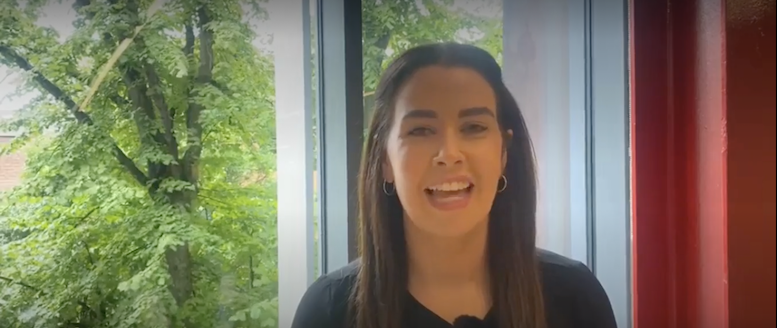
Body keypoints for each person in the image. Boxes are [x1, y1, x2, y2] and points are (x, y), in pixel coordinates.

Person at [291, 42, 617, 328]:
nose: (449, 154)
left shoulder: (574, 296)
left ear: (503, 153)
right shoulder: (329, 310)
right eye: (421, 130)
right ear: (385, 161)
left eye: (473, 127)